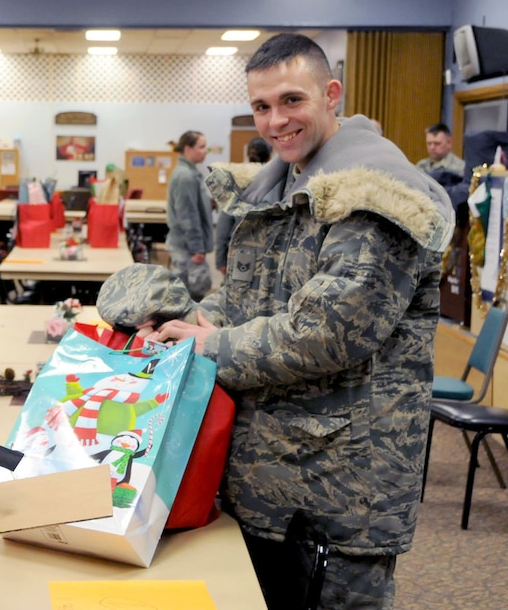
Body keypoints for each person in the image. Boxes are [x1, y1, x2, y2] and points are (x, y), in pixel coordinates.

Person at [96, 33, 454, 610]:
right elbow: (242, 300)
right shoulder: (283, 187)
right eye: (261, 106)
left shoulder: (376, 199)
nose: (275, 121)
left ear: (331, 94)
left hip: (342, 482)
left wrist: (209, 345)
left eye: (292, 100)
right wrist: (182, 324)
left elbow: (327, 334)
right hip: (270, 473)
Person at [164, 130, 213, 300]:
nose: (205, 151)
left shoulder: (189, 173)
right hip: (187, 248)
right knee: (189, 296)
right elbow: (187, 217)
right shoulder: (185, 176)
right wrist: (196, 248)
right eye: (201, 147)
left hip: (186, 247)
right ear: (188, 149)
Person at [214, 136, 271, 274]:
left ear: (247, 155)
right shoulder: (276, 181)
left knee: (237, 291)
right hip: (268, 255)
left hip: (240, 255)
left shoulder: (236, 180)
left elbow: (223, 226)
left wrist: (220, 259)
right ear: (269, 156)